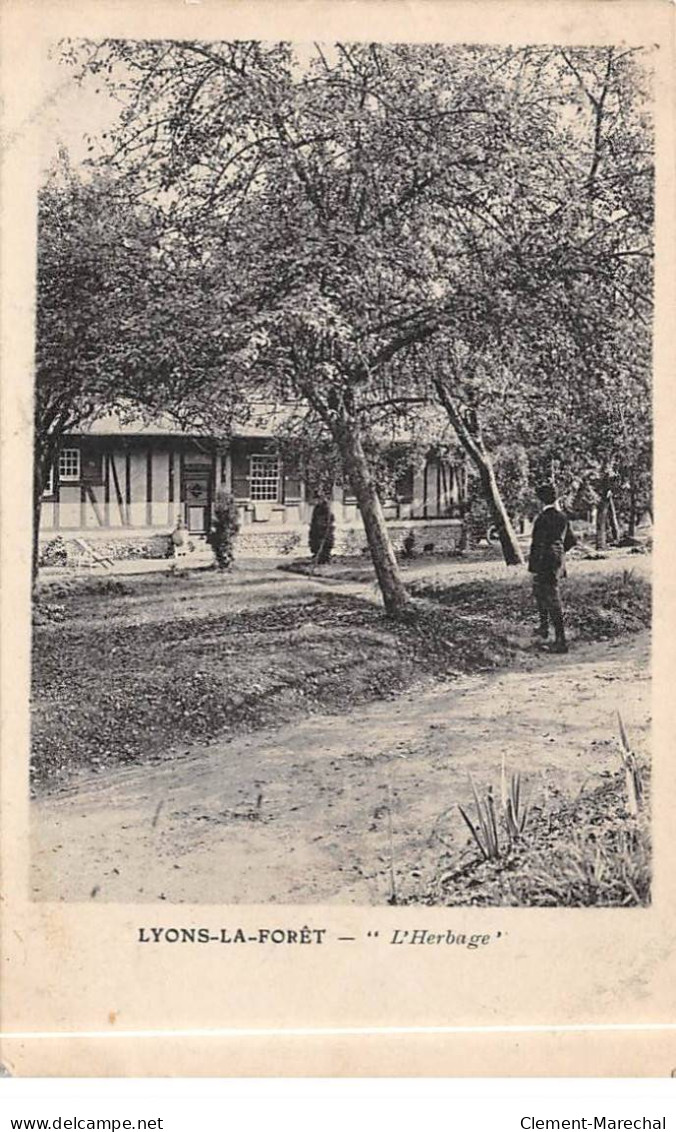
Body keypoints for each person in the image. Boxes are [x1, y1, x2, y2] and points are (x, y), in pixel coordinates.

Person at [528, 483, 576, 653]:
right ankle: (544, 629)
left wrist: (534, 567)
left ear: (541, 500)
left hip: (544, 561)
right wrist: (559, 552)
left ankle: (561, 641)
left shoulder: (542, 519)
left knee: (551, 598)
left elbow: (537, 544)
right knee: (541, 592)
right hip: (557, 561)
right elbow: (571, 541)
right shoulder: (563, 517)